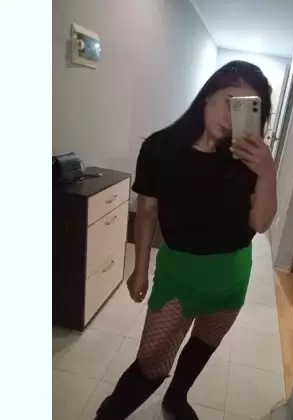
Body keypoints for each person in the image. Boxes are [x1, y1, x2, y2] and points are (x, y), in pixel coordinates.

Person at [95, 60, 277, 420]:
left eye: (243, 109)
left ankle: (176, 399)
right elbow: (147, 211)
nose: (230, 117)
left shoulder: (247, 160)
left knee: (205, 344)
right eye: (229, 100)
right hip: (179, 273)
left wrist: (268, 173)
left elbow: (259, 223)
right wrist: (140, 269)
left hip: (232, 275)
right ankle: (110, 414)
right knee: (152, 360)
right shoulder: (160, 148)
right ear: (209, 93)